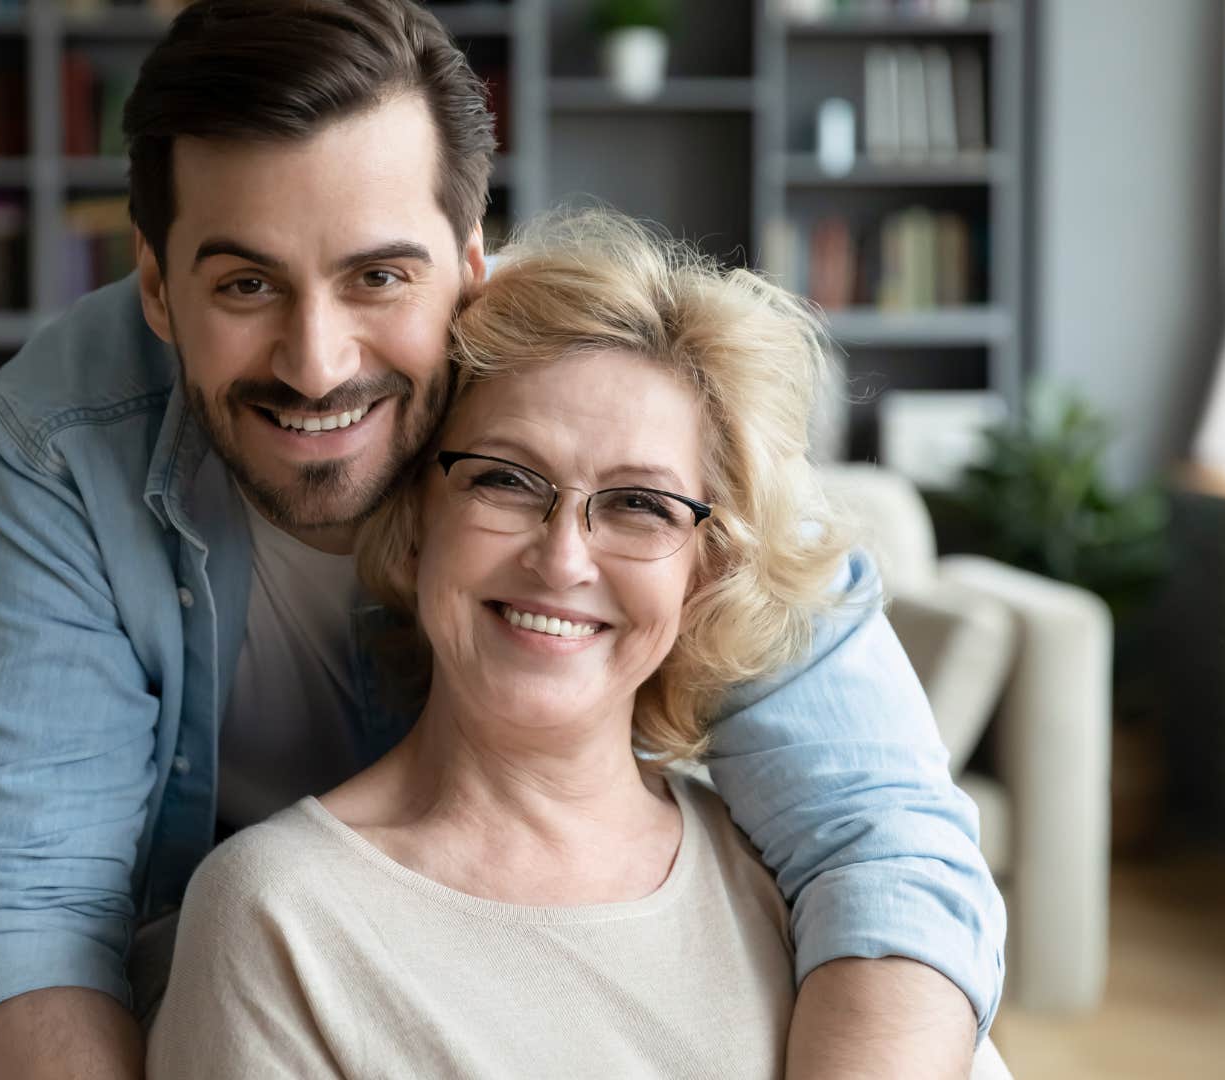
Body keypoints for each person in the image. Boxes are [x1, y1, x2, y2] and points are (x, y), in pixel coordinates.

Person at [0, 2, 996, 1077]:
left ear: (474, 262)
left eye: (378, 276)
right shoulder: (61, 445)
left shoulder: (621, 394)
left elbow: (880, 833)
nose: (316, 359)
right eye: (244, 284)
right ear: (158, 288)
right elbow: (25, 908)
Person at [145, 208, 893, 1076]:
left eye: (641, 503)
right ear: (417, 513)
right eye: (505, 479)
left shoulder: (808, 896)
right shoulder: (278, 919)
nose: (563, 558)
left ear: (707, 569)